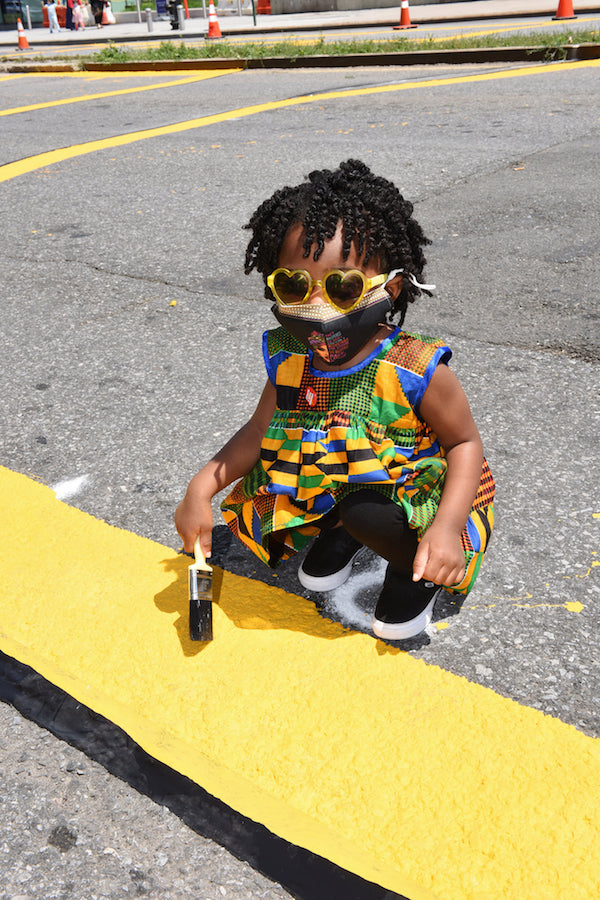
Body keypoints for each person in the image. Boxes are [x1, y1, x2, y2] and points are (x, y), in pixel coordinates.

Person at [175, 159, 495, 641]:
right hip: (343, 470)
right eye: (294, 285)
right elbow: (259, 432)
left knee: (368, 511)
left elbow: (465, 445)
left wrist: (446, 527)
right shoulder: (292, 358)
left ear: (392, 285)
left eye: (343, 287)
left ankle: (413, 567)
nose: (319, 310)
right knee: (285, 469)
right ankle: (346, 527)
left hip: (417, 491)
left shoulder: (414, 367)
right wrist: (200, 489)